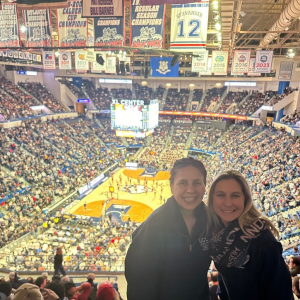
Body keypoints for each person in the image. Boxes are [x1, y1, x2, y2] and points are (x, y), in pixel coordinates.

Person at [125, 157, 211, 300]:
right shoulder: (154, 225)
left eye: (196, 183)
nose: (190, 189)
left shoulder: (210, 220)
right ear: (171, 186)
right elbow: (137, 280)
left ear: (204, 186)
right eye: (183, 183)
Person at [207, 170, 293, 300]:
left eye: (235, 195)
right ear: (212, 198)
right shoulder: (217, 235)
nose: (228, 203)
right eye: (220, 195)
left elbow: (281, 294)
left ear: (245, 199)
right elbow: (225, 275)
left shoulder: (263, 242)